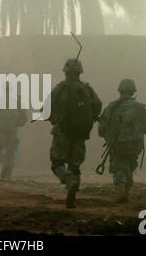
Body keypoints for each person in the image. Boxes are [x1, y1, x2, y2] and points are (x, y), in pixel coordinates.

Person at [48, 59, 102, 208]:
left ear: (65, 71)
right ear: (80, 72)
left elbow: (46, 107)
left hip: (62, 132)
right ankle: (72, 194)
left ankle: (67, 179)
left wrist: (54, 119)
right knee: (75, 165)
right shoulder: (87, 89)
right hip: (80, 133)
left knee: (57, 162)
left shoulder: (60, 88)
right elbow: (98, 105)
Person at [98, 79, 146, 203]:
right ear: (133, 91)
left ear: (119, 91)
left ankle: (121, 193)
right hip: (135, 144)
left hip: (118, 144)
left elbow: (101, 130)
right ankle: (126, 193)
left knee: (119, 166)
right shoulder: (139, 107)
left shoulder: (112, 106)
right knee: (130, 165)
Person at [0, 84, 28, 180]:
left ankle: (4, 163)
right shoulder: (17, 101)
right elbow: (24, 117)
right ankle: (8, 175)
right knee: (11, 152)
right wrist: (17, 124)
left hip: (0, 130)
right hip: (12, 131)